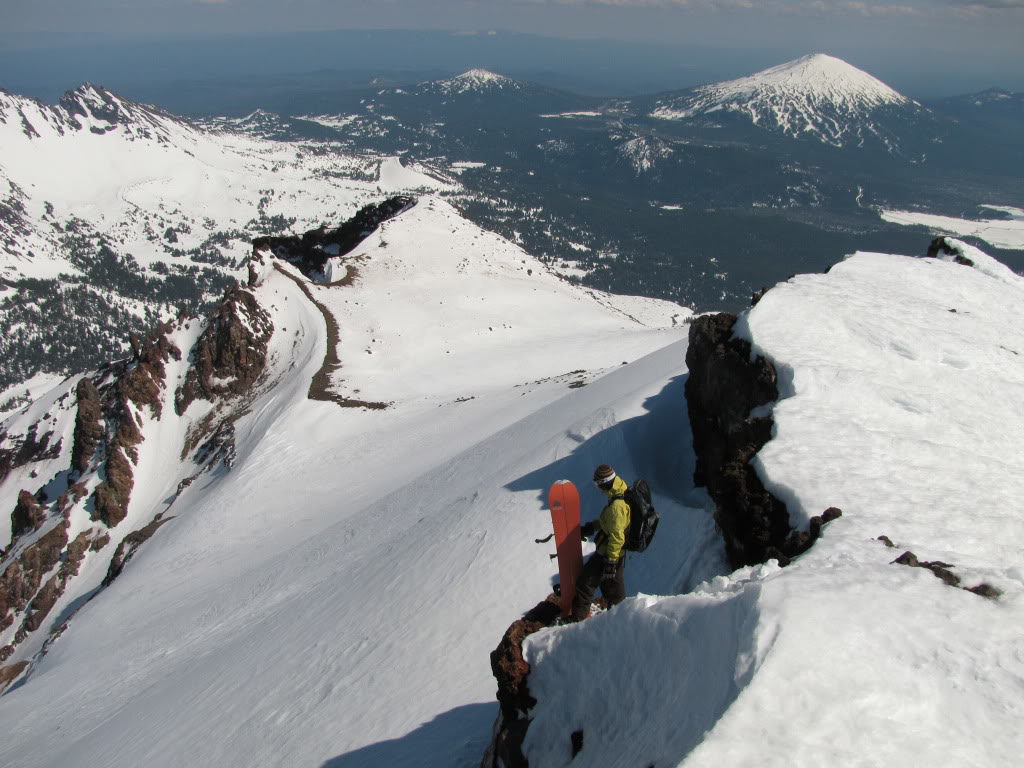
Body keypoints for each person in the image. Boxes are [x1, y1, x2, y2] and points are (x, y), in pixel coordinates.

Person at [571, 464, 630, 621]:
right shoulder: (617, 493)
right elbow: (608, 522)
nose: (597, 488)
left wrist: (611, 561)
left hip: (609, 555)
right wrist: (591, 528)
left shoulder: (617, 506)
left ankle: (579, 624)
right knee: (611, 592)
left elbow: (617, 536)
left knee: (586, 585)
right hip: (610, 554)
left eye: (598, 484)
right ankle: (615, 622)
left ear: (605, 482)